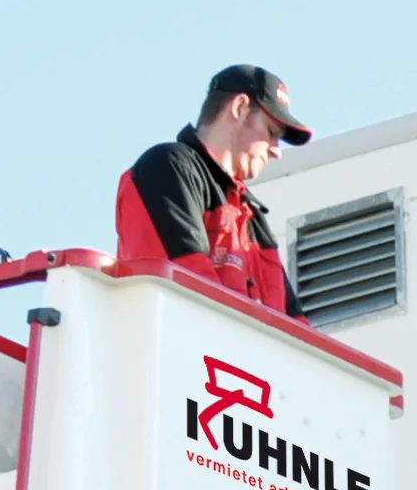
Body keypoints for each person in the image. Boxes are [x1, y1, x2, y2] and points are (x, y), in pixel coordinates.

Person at [116, 67, 312, 314]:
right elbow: (190, 286)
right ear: (239, 108)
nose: (276, 150)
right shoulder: (166, 166)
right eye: (271, 132)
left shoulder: (251, 215)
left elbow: (295, 328)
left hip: (231, 350)